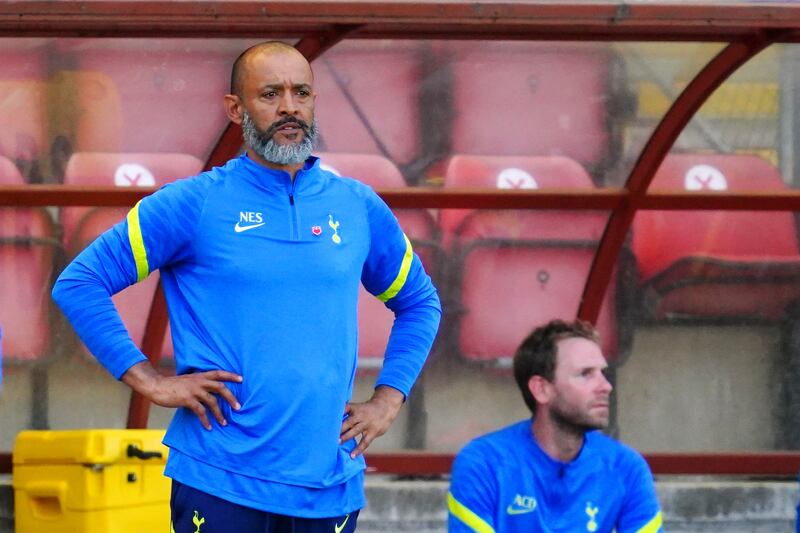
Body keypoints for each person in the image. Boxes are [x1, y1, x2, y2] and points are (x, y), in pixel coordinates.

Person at [52, 41, 441, 533]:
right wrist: (149, 381)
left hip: (328, 486)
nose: (289, 108)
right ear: (235, 109)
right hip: (220, 479)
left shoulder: (356, 205)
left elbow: (420, 303)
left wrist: (389, 398)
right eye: (270, 94)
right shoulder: (193, 203)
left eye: (302, 92)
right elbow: (81, 281)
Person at [448, 319, 662, 533]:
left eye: (603, 374)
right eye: (585, 374)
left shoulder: (626, 466)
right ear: (541, 389)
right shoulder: (484, 463)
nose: (606, 386)